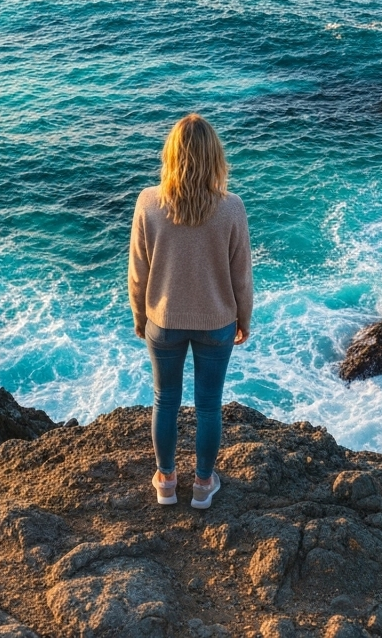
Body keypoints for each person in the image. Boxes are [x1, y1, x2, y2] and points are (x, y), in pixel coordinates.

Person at [128, 113, 253, 509]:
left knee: (165, 399)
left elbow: (137, 272)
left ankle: (166, 481)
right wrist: (244, 319)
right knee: (209, 404)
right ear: (215, 157)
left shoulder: (148, 202)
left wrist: (139, 317)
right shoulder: (231, 208)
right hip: (217, 322)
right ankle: (202, 484)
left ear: (171, 155)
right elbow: (242, 276)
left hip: (162, 321)